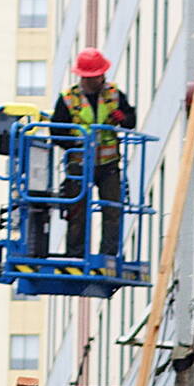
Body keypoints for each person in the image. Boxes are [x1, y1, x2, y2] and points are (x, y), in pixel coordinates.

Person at [42, 48, 138, 261]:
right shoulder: (68, 99)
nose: (100, 79)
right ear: (85, 76)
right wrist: (75, 144)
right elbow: (56, 132)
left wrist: (123, 117)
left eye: (101, 74)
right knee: (77, 211)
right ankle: (76, 254)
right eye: (96, 75)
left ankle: (108, 254)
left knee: (112, 209)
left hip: (108, 164)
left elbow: (130, 121)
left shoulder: (113, 94)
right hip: (79, 164)